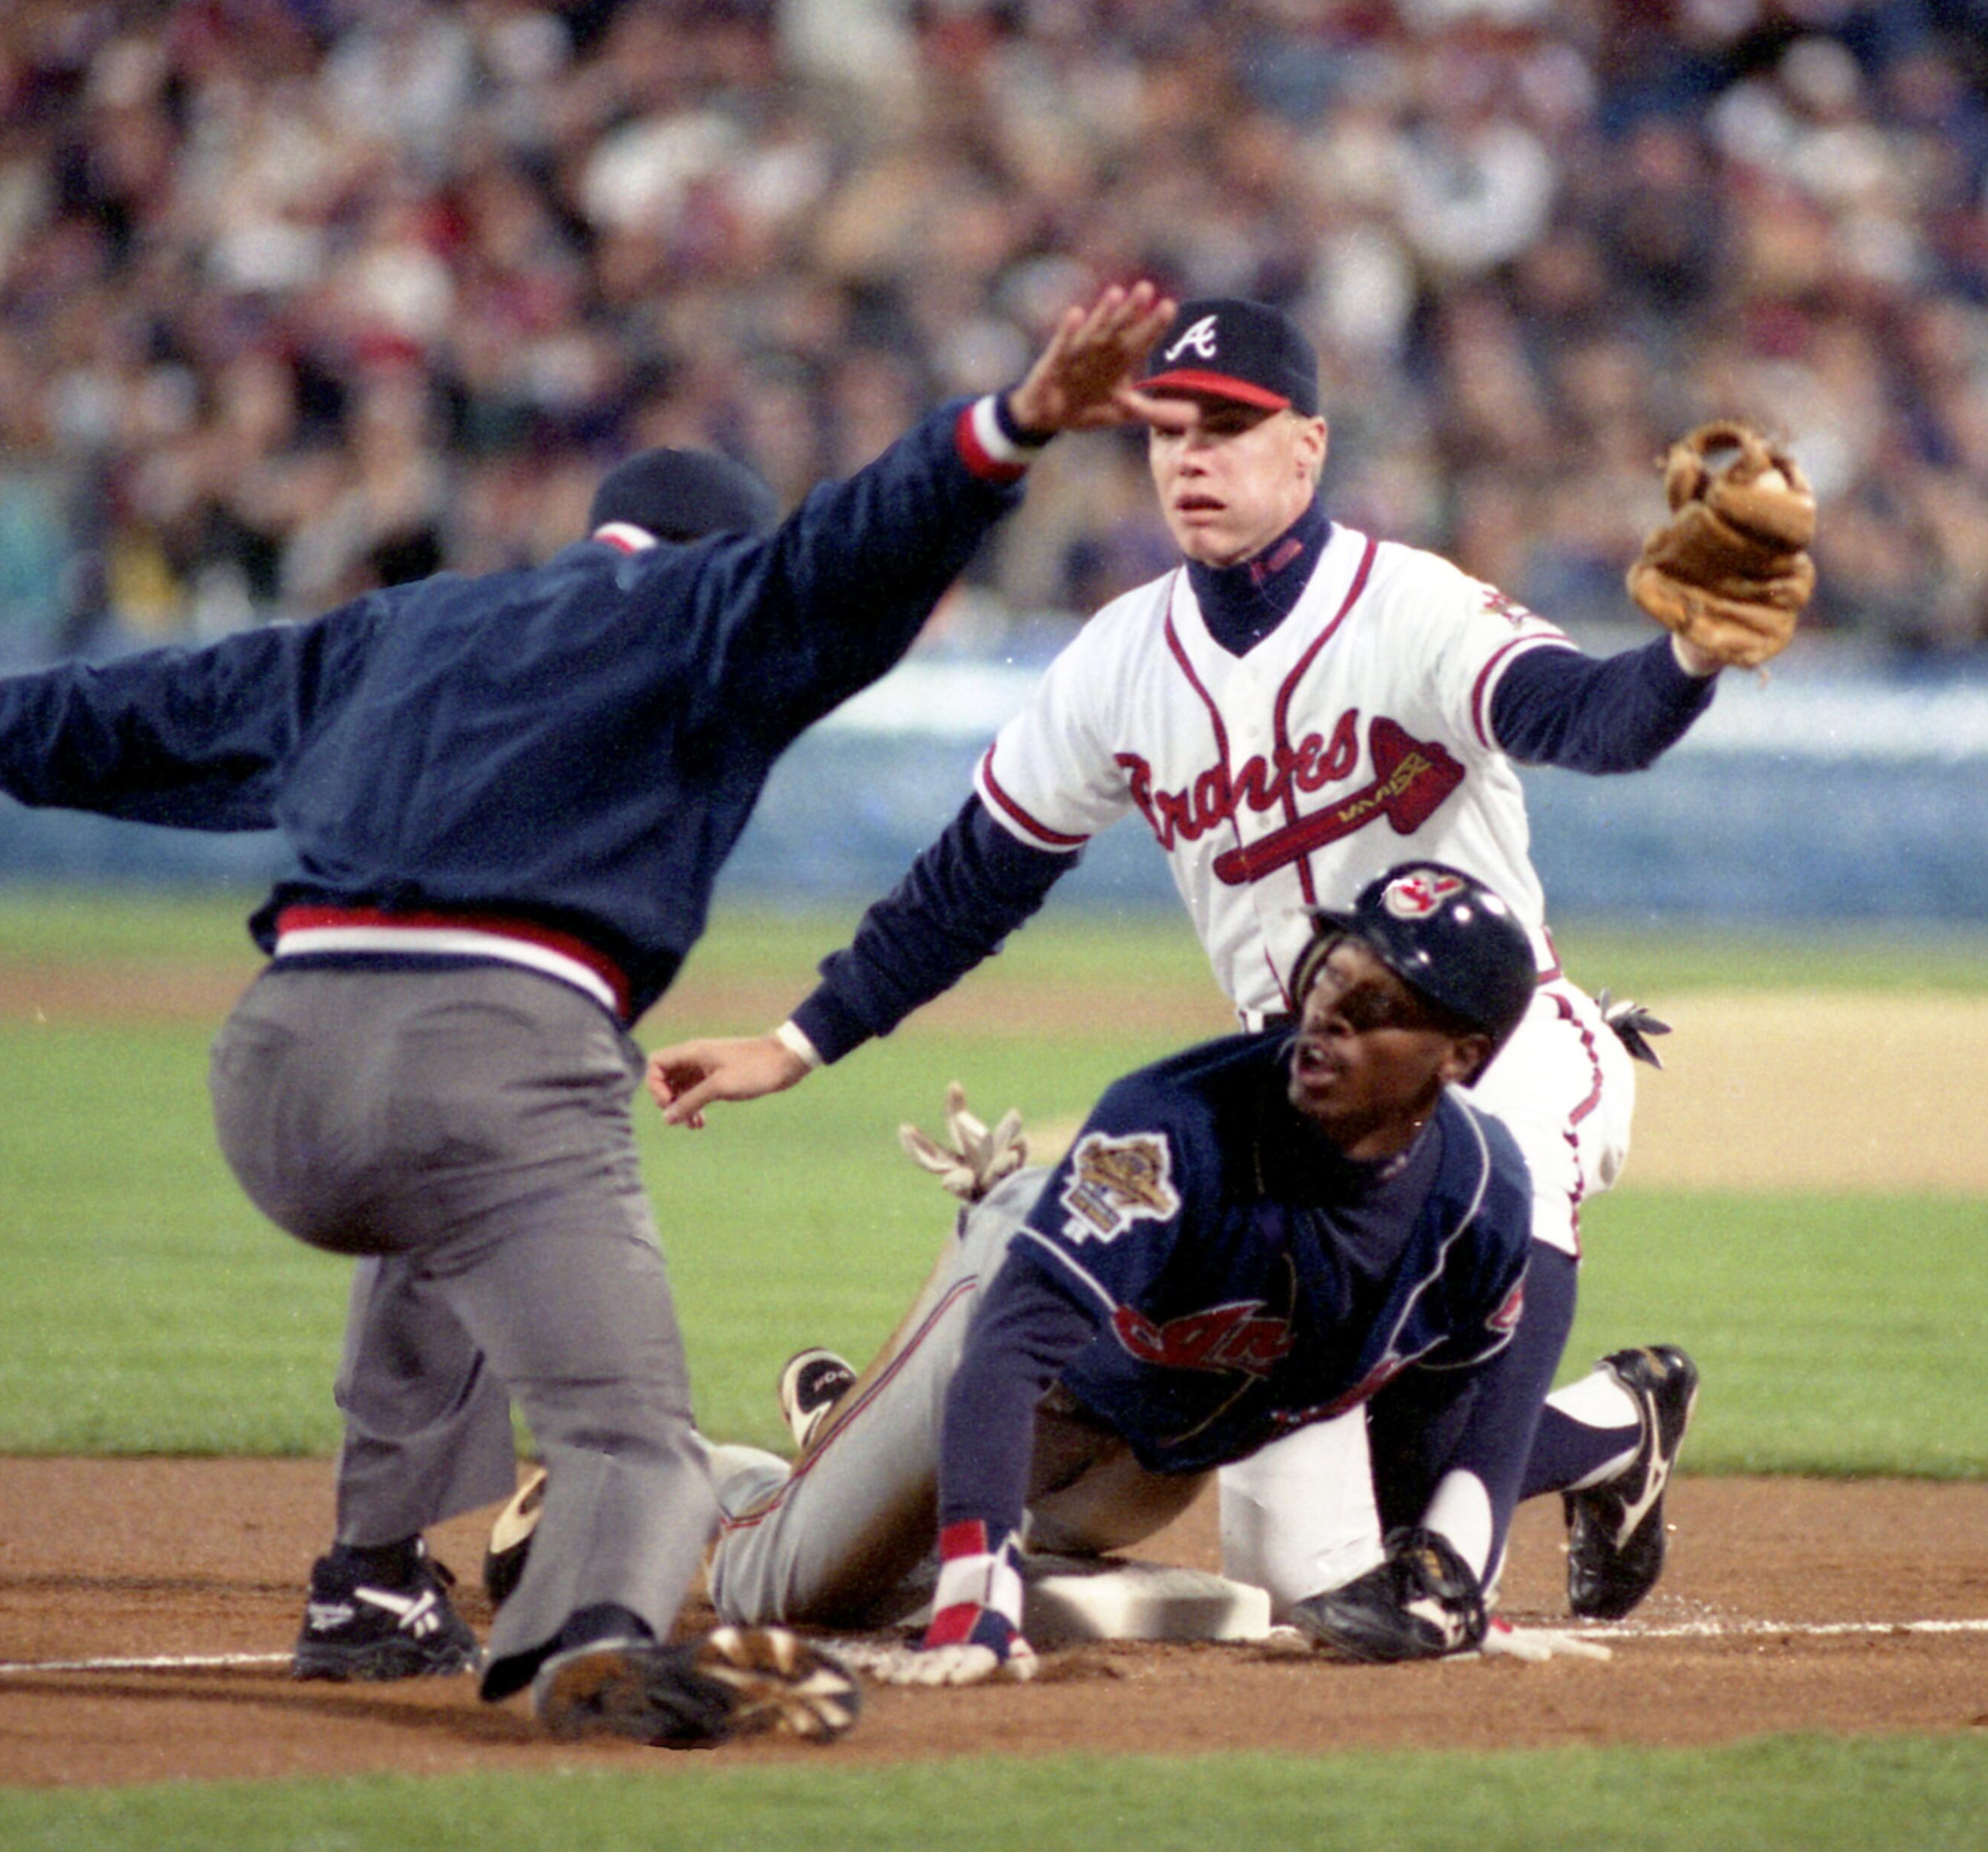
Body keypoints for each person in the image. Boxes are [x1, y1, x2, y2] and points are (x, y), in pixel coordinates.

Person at [0, 279, 1188, 1748]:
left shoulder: (410, 625)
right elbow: (852, 550)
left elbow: (180, 698)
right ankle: (588, 1647)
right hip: (490, 1056)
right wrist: (1012, 425)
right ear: (716, 549)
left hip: (275, 1071)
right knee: (633, 1449)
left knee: (439, 1230)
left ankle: (371, 1583)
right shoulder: (709, 605)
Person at [648, 297, 1725, 1621]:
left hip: (1491, 1040)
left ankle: (1453, 1572)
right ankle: (1619, 1425)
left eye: (1230, 427)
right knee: (1297, 1558)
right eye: (1168, 432)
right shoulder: (1121, 659)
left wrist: (1687, 656)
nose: (1192, 458)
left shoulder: (1410, 607)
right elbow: (978, 875)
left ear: (1308, 449)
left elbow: (1589, 717)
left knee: (1514, 1161)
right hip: (1304, 1103)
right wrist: (799, 1038)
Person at [690, 862, 1582, 1682]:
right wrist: (974, 1592)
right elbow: (1010, 1346)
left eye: (1379, 999)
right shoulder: (1173, 1127)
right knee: (789, 1592)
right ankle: (693, 1472)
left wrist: (1438, 1587)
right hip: (1018, 1344)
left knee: (990, 1546)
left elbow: (1435, 1398)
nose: (1329, 1011)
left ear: (1461, 1054)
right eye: (1332, 970)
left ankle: (861, 1436)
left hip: (1153, 1459)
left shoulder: (1481, 1196)